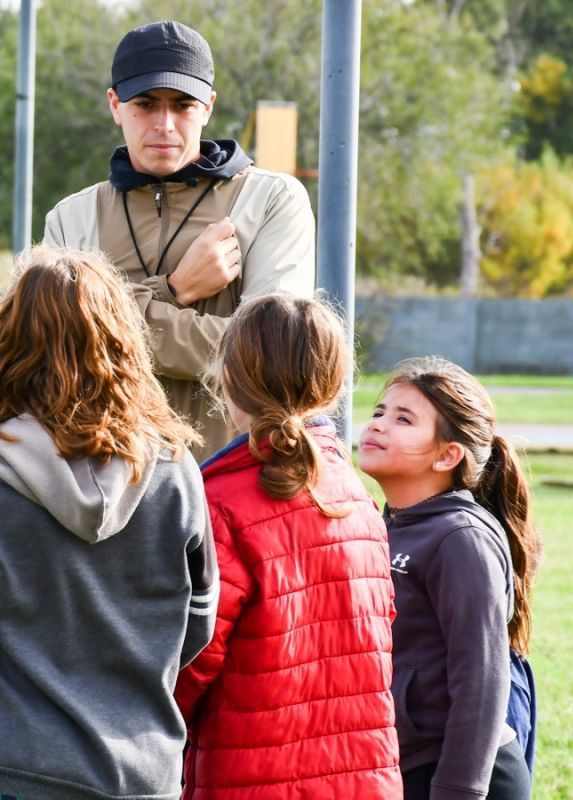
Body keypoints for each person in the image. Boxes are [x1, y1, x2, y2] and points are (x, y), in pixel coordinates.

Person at [0, 247, 217, 800]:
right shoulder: (177, 472)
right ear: (125, 341)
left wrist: (3, 692)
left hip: (10, 765)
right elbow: (195, 624)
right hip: (143, 772)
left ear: (6, 341)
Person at [43, 19, 315, 459]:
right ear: (115, 104)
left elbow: (270, 357)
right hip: (101, 483)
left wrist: (101, 324)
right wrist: (178, 288)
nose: (164, 123)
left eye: (183, 104)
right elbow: (54, 350)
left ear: (208, 106)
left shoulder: (271, 199)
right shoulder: (71, 217)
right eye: (146, 103)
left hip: (231, 477)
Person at [174, 294, 401, 798]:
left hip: (249, 780)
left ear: (229, 376)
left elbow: (186, 666)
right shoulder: (355, 494)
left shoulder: (220, 505)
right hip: (362, 779)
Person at [357, 357, 544, 800]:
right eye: (380, 412)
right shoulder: (385, 523)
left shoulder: (460, 538)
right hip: (406, 764)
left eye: (404, 419)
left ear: (447, 455)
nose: (379, 425)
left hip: (461, 776)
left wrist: (458, 790)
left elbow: (481, 680)